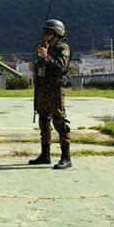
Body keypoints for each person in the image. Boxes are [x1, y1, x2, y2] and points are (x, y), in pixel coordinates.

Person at [29, 19, 72, 169]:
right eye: (45, 32)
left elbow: (60, 67)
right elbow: (43, 69)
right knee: (44, 122)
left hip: (55, 91)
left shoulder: (63, 48)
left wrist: (46, 56)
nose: (46, 35)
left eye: (49, 32)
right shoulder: (46, 48)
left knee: (59, 123)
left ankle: (66, 158)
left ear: (57, 33)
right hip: (43, 91)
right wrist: (35, 66)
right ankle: (45, 155)